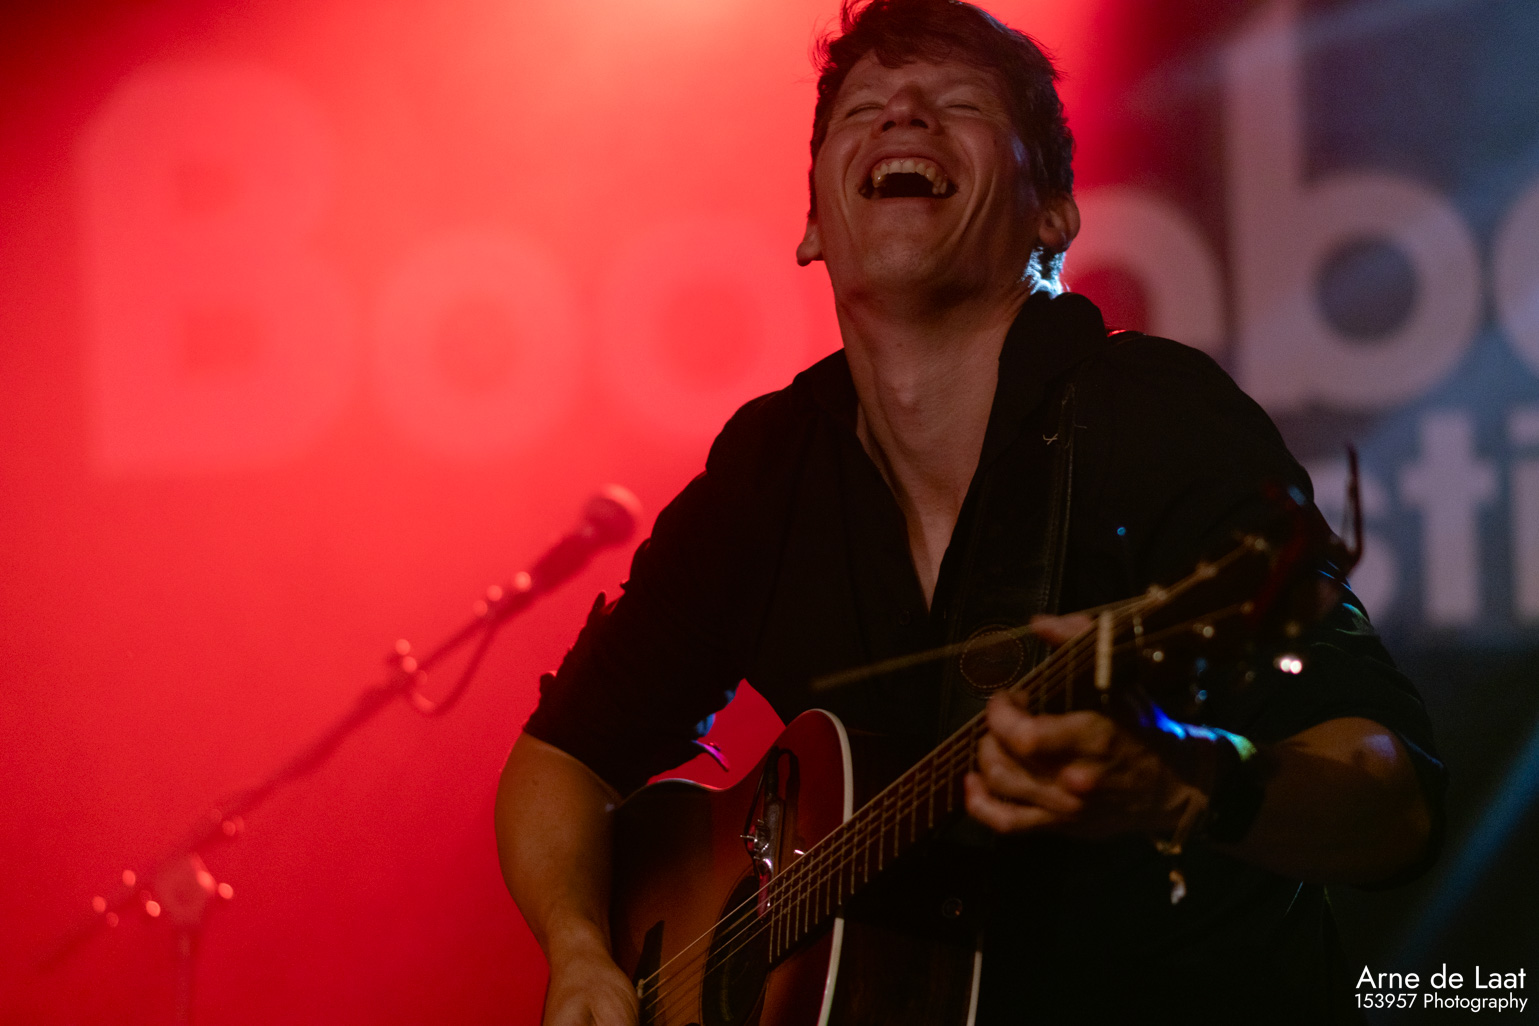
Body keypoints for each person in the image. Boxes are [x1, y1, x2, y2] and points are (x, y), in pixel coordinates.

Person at [495, 1, 1444, 1022]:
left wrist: (1198, 783)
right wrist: (580, 950)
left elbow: (1396, 801)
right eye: (862, 108)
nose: (902, 113)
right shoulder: (770, 468)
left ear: (1053, 216)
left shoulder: (1153, 419)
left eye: (958, 104)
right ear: (812, 225)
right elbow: (560, 761)